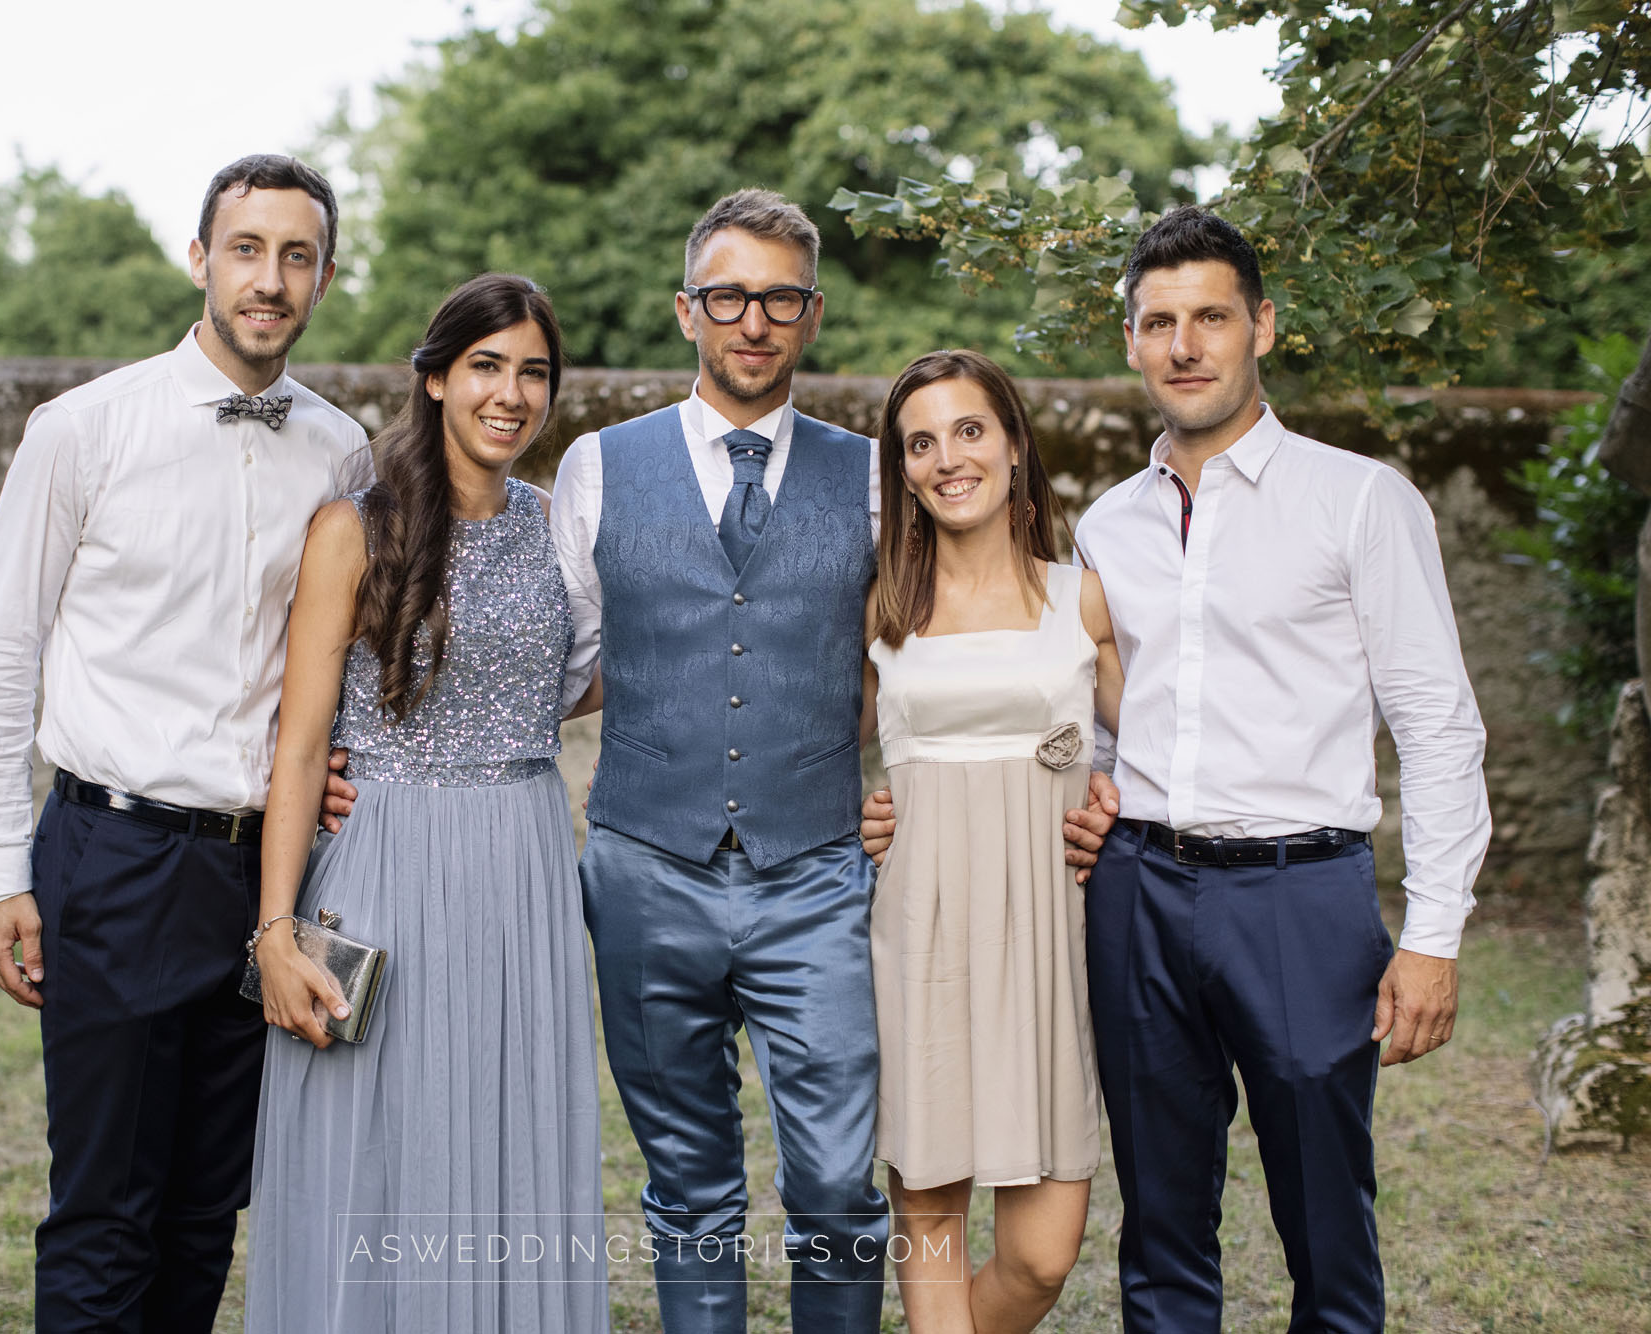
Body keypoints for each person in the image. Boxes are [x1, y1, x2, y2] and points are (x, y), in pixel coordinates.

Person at [864, 206, 1491, 1333]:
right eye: (1158, 321)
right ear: (1129, 340)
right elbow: (1087, 711)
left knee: (1325, 1223)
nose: (1184, 344)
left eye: (1209, 316)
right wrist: (998, 793)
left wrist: (1433, 932)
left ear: (1260, 324)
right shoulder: (1107, 529)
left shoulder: (1356, 500)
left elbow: (1437, 723)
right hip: (1135, 893)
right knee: (1158, 1227)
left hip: (1300, 893)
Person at [541, 190, 1118, 1333]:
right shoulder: (597, 468)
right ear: (685, 310)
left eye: (780, 298)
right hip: (644, 866)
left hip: (817, 874)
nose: (752, 320)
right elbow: (557, 667)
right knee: (688, 1189)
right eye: (728, 295)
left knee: (837, 1187)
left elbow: (929, 651)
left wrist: (1046, 781)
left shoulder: (874, 476)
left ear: (810, 315)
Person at [0, 154, 371, 1332]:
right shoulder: (81, 429)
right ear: (199, 259)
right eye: (247, 249)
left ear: (324, 278)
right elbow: (1, 653)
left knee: (205, 1209)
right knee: (103, 1208)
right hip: (113, 854)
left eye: (297, 256)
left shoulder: (341, 451)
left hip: (265, 875)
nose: (269, 278)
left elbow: (331, 657)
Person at [244, 273, 607, 1332]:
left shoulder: (560, 528)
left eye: (533, 371)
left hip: (525, 856)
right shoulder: (354, 527)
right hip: (387, 855)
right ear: (437, 377)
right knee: (381, 1141)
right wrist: (274, 929)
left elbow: (579, 676)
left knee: (509, 1132)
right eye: (487, 365)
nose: (511, 392)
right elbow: (301, 744)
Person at [861, 349, 1122, 1333]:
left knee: (1040, 1255)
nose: (945, 458)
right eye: (919, 442)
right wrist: (855, 814)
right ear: (903, 470)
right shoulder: (882, 613)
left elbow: (1159, 762)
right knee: (928, 1213)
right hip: (921, 932)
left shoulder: (1082, 600)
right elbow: (793, 754)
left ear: (1012, 444)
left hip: (1050, 941)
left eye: (967, 430)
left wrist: (1111, 806)